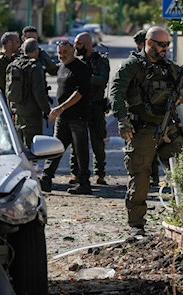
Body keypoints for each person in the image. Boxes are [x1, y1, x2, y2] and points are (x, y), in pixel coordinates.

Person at [109, 26, 183, 236]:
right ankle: (136, 226)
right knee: (140, 176)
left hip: (168, 126)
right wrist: (122, 120)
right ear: (148, 43)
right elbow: (116, 92)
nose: (165, 48)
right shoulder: (132, 66)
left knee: (182, 171)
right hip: (142, 129)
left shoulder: (169, 67)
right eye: (161, 45)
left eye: (167, 45)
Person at [40, 41, 91, 195]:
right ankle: (46, 179)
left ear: (74, 50)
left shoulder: (82, 68)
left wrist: (60, 108)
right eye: (59, 52)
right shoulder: (61, 67)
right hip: (63, 118)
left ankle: (84, 183)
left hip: (78, 117)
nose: (62, 55)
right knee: (55, 148)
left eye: (65, 51)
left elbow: (79, 93)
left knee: (80, 151)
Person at [69, 32, 110, 186]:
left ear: (86, 45)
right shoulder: (75, 61)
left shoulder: (101, 61)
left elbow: (103, 79)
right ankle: (76, 173)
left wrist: (86, 77)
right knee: (77, 143)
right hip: (79, 107)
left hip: (96, 107)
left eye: (77, 44)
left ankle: (100, 174)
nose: (75, 47)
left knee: (98, 141)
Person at [6, 38, 51, 149]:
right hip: (32, 114)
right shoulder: (35, 67)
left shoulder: (13, 65)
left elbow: (8, 90)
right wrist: (47, 111)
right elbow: (39, 93)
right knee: (33, 148)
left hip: (17, 113)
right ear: (36, 51)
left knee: (19, 147)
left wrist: (10, 110)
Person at [134, 30, 161, 185]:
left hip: (152, 110)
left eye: (140, 43)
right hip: (137, 110)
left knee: (152, 146)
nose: (138, 47)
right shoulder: (133, 62)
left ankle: (153, 176)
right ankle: (140, 177)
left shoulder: (157, 62)